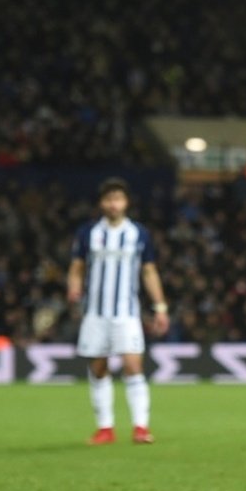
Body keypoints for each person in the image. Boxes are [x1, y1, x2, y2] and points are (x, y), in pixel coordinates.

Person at [67, 178, 170, 445]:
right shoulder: (88, 232)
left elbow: (149, 270)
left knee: (133, 365)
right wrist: (74, 287)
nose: (114, 204)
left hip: (127, 312)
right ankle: (105, 428)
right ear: (102, 203)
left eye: (118, 199)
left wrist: (160, 307)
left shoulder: (138, 233)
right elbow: (77, 266)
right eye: (109, 199)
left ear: (126, 203)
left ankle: (140, 427)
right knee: (99, 368)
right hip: (96, 313)